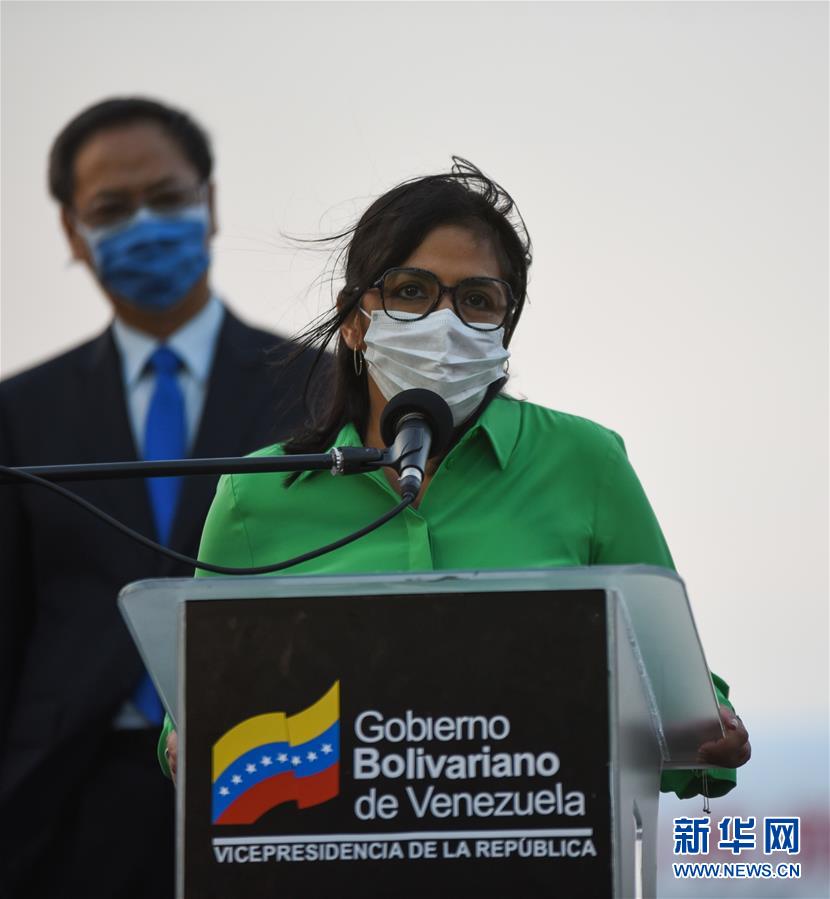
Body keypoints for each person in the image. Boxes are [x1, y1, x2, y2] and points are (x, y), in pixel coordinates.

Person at [160, 158, 750, 798]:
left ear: (503, 332)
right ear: (354, 319)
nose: (444, 323)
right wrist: (184, 739)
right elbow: (199, 714)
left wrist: (710, 731)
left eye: (477, 301)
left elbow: (679, 700)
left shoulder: (588, 463)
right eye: (411, 291)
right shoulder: (256, 495)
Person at [0, 97, 315, 899]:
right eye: (112, 208)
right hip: (74, 795)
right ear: (73, 231)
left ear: (210, 203)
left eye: (168, 198)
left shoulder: (318, 391)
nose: (145, 223)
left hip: (282, 769)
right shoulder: (20, 412)